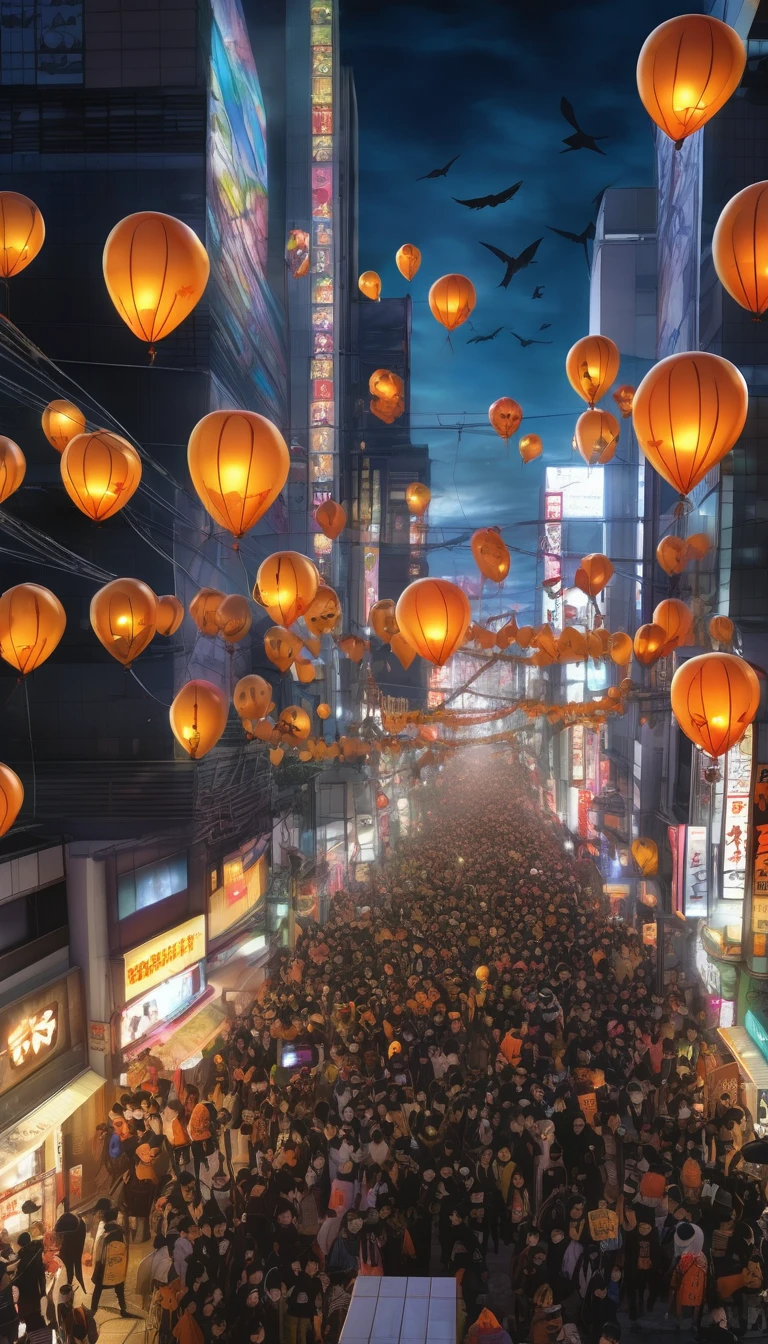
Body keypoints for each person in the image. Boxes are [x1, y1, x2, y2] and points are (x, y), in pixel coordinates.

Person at [90, 1218, 132, 1318]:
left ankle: (93, 1309)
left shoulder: (104, 1237)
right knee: (119, 1288)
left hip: (105, 1266)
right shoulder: (121, 1235)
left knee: (98, 1288)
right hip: (118, 1266)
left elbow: (99, 1255)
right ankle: (123, 1309)